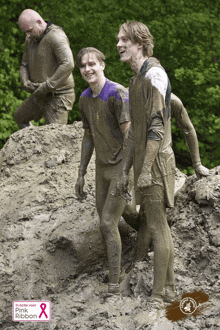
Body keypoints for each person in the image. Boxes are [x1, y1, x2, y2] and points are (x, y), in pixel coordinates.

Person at [116, 21, 178, 307]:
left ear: (139, 43)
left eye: (123, 40)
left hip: (155, 164)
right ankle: (170, 288)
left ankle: (159, 295)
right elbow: (134, 134)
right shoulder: (135, 79)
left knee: (156, 226)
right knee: (155, 224)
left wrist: (143, 170)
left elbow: (156, 129)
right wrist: (125, 169)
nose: (118, 45)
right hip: (144, 162)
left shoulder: (154, 75)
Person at [75, 47, 132, 296]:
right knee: (121, 215)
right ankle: (147, 237)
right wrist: (81, 172)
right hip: (101, 170)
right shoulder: (84, 99)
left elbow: (131, 135)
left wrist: (125, 172)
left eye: (92, 64)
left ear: (102, 65)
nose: (87, 69)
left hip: (121, 166)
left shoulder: (117, 94)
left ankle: (114, 285)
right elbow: (88, 135)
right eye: (83, 66)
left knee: (108, 223)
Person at [14, 9, 75, 128]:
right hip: (40, 93)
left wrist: (47, 86)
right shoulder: (30, 39)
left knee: (54, 134)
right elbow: (24, 63)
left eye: (30, 30)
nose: (27, 35)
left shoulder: (56, 36)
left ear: (39, 22)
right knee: (20, 117)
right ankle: (34, 145)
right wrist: (24, 81)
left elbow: (68, 64)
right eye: (25, 32)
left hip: (59, 94)